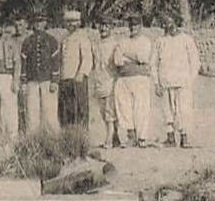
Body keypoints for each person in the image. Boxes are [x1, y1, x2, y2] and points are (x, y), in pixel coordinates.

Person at [155, 13, 202, 148]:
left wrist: (189, 79)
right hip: (165, 82)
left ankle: (184, 138)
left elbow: (195, 62)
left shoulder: (186, 40)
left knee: (184, 110)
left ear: (176, 23)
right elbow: (154, 63)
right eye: (166, 23)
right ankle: (170, 138)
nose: (169, 25)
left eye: (171, 22)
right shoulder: (160, 41)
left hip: (182, 82)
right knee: (167, 111)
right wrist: (156, 83)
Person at [112, 14, 158, 148]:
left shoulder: (145, 41)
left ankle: (142, 137)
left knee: (141, 107)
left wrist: (127, 56)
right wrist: (133, 59)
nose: (133, 28)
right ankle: (131, 136)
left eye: (136, 25)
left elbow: (143, 57)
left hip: (140, 78)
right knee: (124, 107)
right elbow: (117, 60)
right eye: (131, 25)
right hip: (124, 78)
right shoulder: (123, 41)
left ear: (141, 26)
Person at [20, 12, 62, 135]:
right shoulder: (27, 41)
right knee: (32, 111)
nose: (38, 24)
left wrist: (55, 81)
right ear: (33, 24)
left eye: (41, 22)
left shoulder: (52, 41)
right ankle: (32, 138)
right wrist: (23, 82)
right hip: (32, 81)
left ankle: (53, 138)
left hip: (47, 81)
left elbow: (56, 62)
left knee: (49, 111)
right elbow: (24, 63)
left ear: (45, 23)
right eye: (36, 22)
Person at [59, 9, 95, 135]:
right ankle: (68, 137)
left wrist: (81, 74)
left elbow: (87, 58)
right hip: (65, 78)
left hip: (78, 78)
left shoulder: (82, 37)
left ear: (79, 23)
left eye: (74, 22)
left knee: (80, 109)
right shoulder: (64, 39)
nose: (71, 24)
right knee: (66, 110)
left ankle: (82, 137)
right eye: (68, 22)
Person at [94, 19, 124, 147]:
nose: (103, 28)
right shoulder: (96, 44)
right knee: (103, 111)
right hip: (99, 80)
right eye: (101, 25)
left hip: (111, 80)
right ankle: (114, 137)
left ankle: (109, 138)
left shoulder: (115, 44)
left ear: (111, 27)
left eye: (106, 25)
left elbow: (119, 63)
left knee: (110, 110)